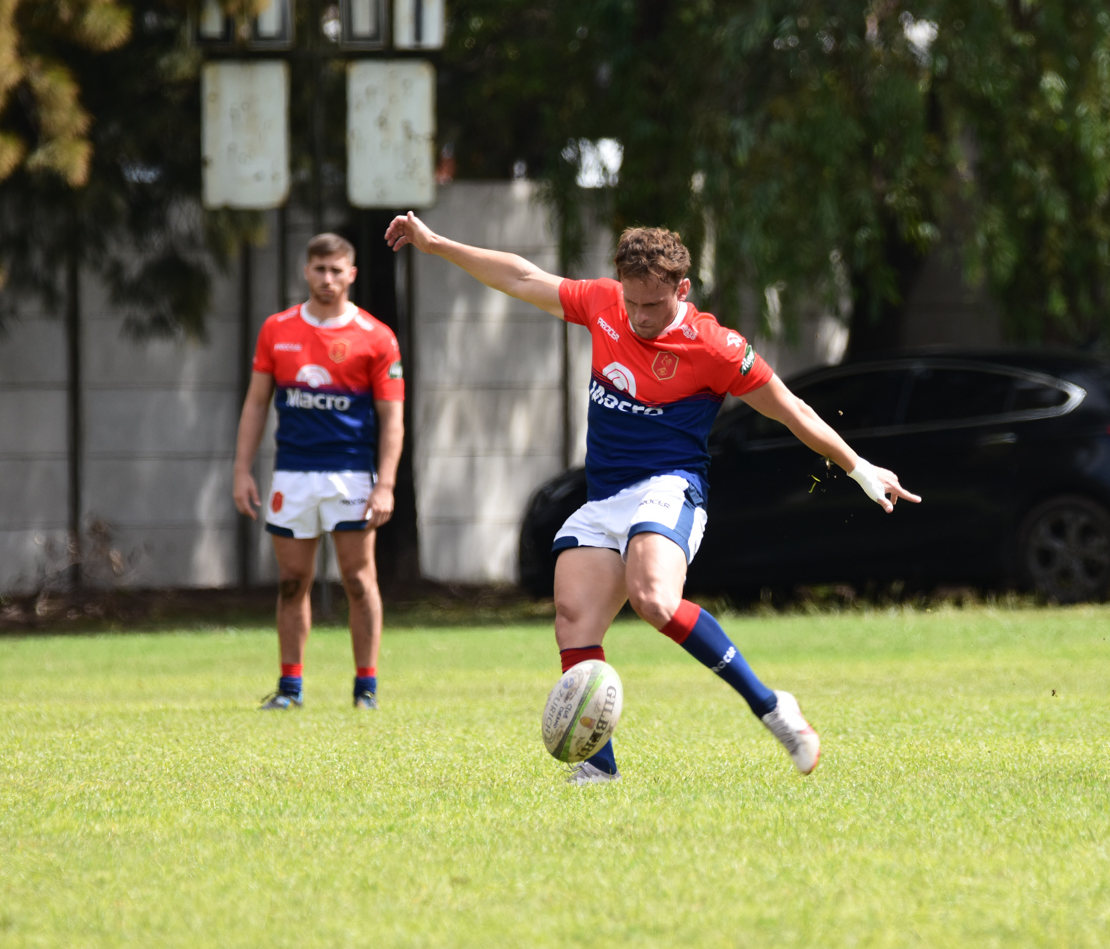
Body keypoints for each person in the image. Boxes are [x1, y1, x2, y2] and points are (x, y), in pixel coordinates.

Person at [385, 213, 919, 783]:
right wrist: (436, 242)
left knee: (654, 600)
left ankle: (771, 707)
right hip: (606, 497)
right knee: (573, 620)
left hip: (669, 487)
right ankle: (598, 770)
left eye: (654, 306)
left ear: (682, 289)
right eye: (632, 303)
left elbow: (795, 411)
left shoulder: (716, 347)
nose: (639, 318)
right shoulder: (602, 304)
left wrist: (859, 468)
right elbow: (520, 277)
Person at [233, 233, 405, 710]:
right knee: (293, 581)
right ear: (305, 272)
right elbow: (255, 403)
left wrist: (386, 484)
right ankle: (290, 689)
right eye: (319, 269)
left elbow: (393, 418)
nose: (327, 279)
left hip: (351, 475)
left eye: (336, 270)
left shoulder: (376, 337)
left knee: (358, 580)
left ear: (351, 274)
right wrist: (241, 470)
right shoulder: (277, 330)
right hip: (293, 474)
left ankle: (365, 689)